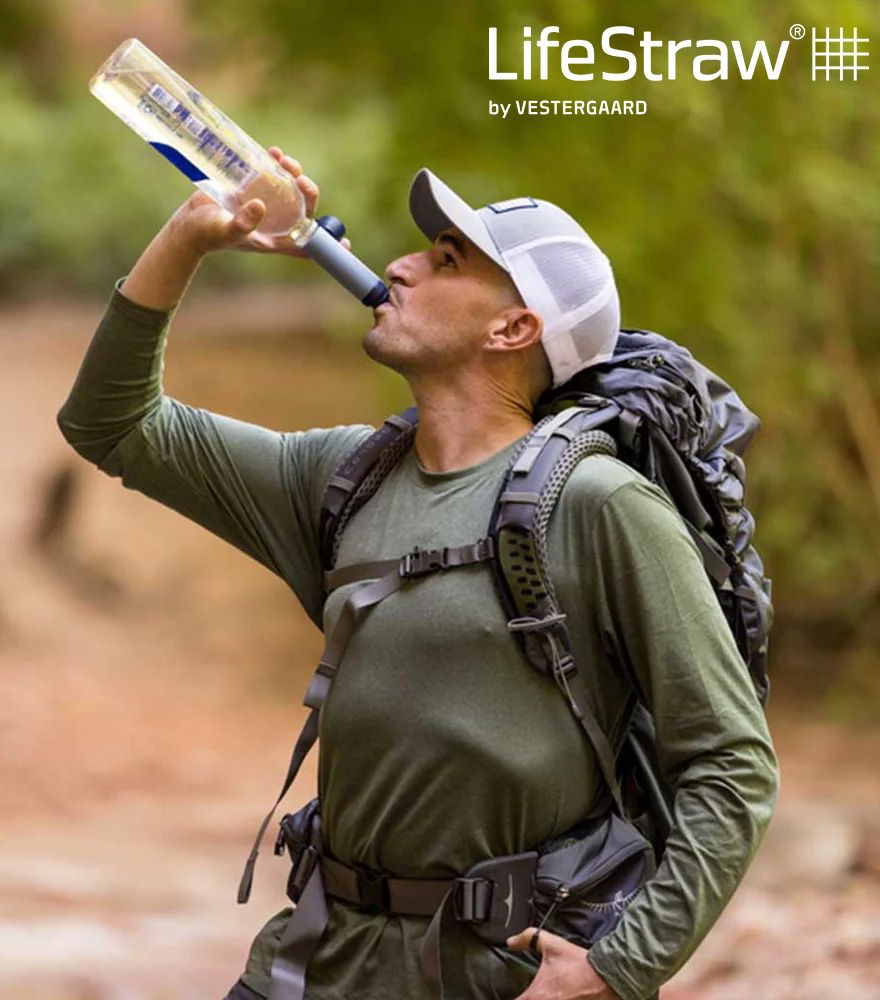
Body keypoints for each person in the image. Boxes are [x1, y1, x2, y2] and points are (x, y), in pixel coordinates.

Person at [57, 149, 779, 1000]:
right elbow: (110, 423)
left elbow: (732, 766)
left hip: (493, 976)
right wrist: (187, 240)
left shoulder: (599, 505)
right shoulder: (344, 476)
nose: (399, 263)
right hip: (314, 961)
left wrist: (618, 970)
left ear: (513, 330)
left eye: (445, 261)